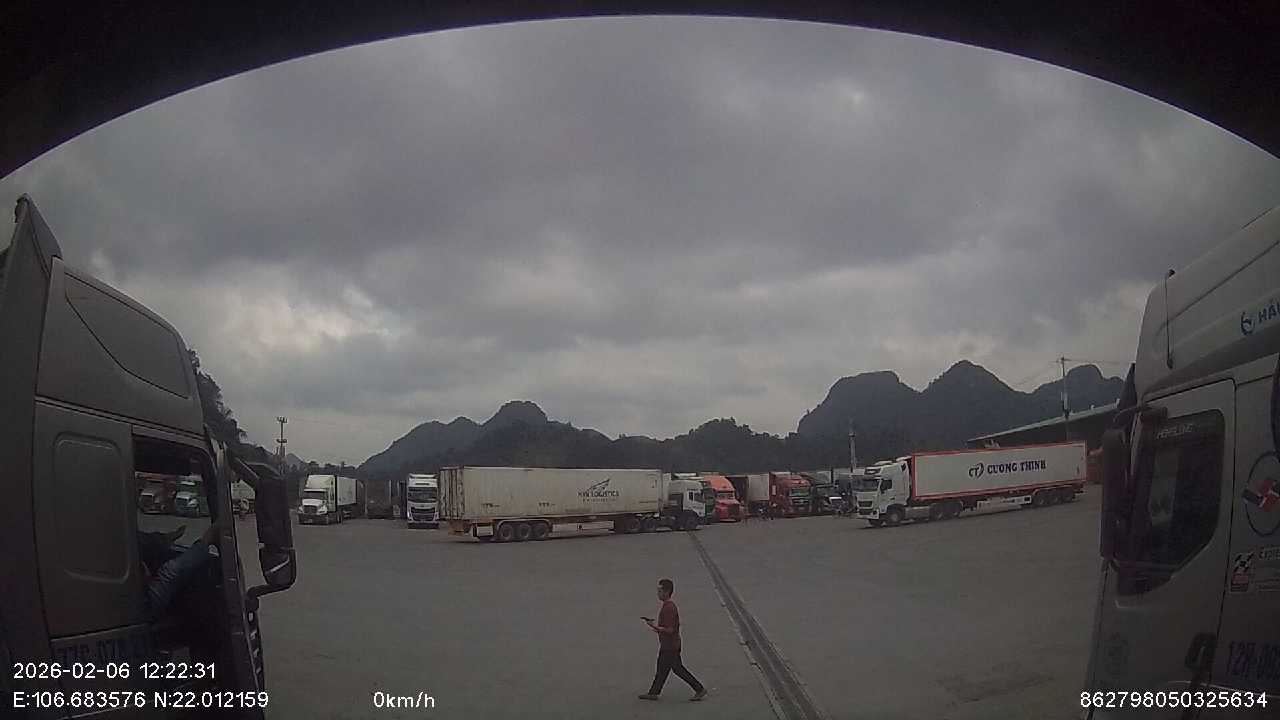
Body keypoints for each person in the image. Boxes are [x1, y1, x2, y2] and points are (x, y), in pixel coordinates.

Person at [638, 578, 706, 702]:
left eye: (660, 591)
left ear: (667, 591)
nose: (658, 593)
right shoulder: (668, 606)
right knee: (662, 668)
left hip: (670, 646)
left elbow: (670, 630)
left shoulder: (669, 608)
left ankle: (699, 688)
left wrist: (655, 627)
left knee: (676, 669)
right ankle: (654, 692)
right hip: (669, 644)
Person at [137, 522, 220, 618]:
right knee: (171, 571)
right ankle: (206, 542)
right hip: (140, 607)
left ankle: (161, 540)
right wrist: (206, 541)